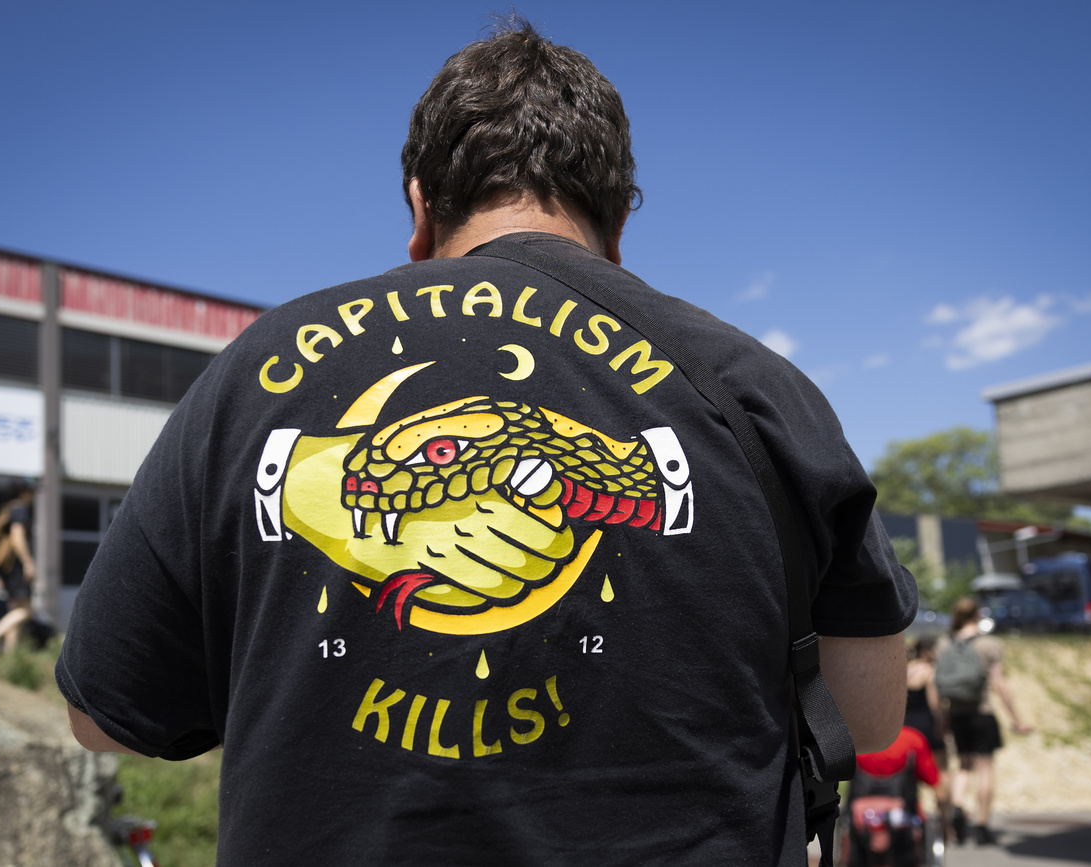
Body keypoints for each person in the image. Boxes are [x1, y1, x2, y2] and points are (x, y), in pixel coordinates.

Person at [56, 18, 916, 864]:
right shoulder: (753, 387)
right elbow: (870, 718)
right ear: (616, 227)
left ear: (421, 209)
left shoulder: (255, 377)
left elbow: (103, 713)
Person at [938, 597, 1031, 847]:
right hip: (982, 712)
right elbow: (1000, 685)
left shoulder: (945, 643)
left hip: (957, 714)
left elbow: (938, 685)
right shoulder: (989, 644)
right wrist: (1017, 719)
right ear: (977, 615)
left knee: (964, 765)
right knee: (985, 768)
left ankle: (957, 808)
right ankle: (981, 824)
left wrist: (943, 718)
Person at [846, 725, 942, 866]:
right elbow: (931, 779)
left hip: (862, 813)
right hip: (903, 812)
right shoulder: (913, 739)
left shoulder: (857, 738)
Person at [903, 637, 949, 828]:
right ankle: (947, 825)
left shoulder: (905, 669)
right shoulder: (929, 671)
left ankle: (912, 818)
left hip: (906, 728)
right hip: (927, 726)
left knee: (908, 775)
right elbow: (934, 705)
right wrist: (943, 725)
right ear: (928, 651)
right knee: (940, 774)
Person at [0, 481, 36, 653]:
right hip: (16, 569)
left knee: (14, 610)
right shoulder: (20, 509)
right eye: (32, 491)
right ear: (23, 492)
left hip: (7, 569)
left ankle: (9, 655)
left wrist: (1, 573)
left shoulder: (8, 508)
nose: (34, 495)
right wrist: (28, 563)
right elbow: (17, 537)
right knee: (27, 611)